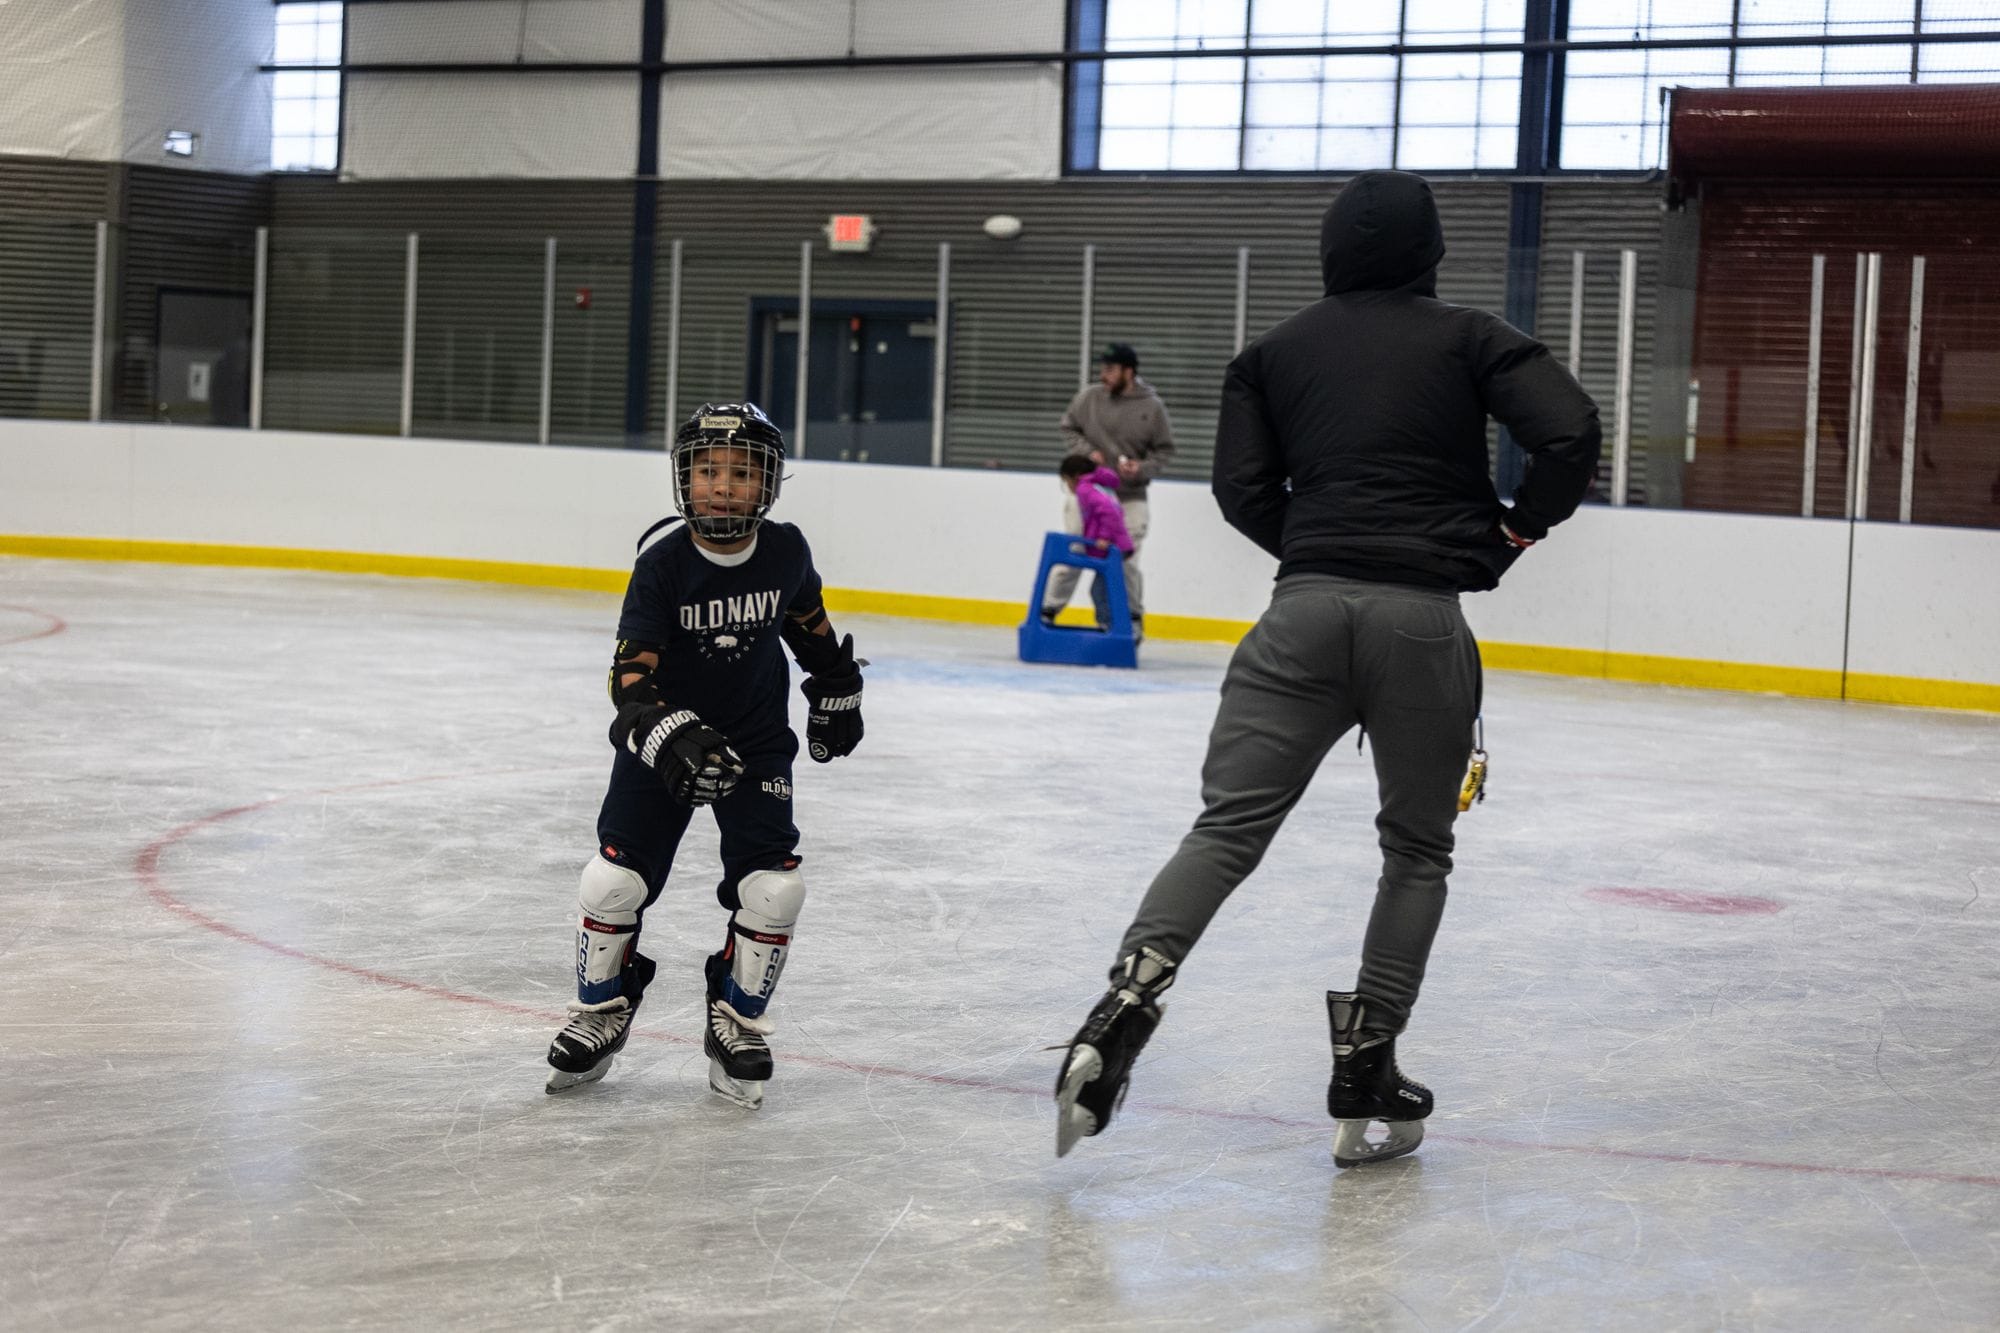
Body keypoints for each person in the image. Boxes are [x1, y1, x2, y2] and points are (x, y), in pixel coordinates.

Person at [1052, 170, 1602, 1166]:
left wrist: (1311, 544)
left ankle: (1127, 997)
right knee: (1414, 847)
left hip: (1296, 617)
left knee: (1227, 825)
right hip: (1421, 626)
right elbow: (1566, 430)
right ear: (1429, 253)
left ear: (1327, 250)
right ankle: (1365, 1060)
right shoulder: (1471, 337)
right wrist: (1512, 528)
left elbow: (1237, 487)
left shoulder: (1269, 355)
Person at [545, 402, 865, 1108]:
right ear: (684, 478)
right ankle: (603, 1005)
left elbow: (810, 628)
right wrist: (669, 733)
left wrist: (838, 688)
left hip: (754, 744)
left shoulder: (786, 553)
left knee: (775, 890)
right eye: (709, 469)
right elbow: (627, 679)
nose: (723, 485)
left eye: (742, 472)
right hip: (664, 742)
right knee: (611, 884)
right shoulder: (662, 565)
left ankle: (737, 1018)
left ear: (768, 484)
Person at [1042, 343, 1175, 635]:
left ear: (1129, 371)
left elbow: (1164, 452)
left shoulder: (1152, 407)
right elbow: (1068, 427)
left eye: (1110, 369)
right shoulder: (1089, 398)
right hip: (1089, 494)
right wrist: (1087, 452)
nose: (1104, 375)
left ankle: (1129, 618)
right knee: (1076, 548)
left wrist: (1141, 468)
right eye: (1102, 369)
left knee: (1126, 558)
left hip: (1130, 495)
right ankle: (1048, 610)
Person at [1044, 454, 1136, 630]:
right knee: (1100, 589)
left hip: (1113, 547)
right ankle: (1107, 623)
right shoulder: (1098, 486)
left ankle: (1108, 624)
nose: (1067, 487)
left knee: (1099, 590)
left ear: (1075, 477)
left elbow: (1110, 513)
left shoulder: (1086, 489)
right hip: (1115, 545)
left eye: (1066, 481)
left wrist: (1103, 537)